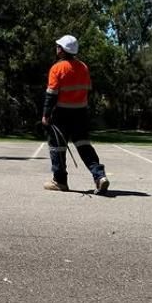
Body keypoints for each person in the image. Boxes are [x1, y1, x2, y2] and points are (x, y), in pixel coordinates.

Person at [41, 34, 109, 194]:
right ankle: (99, 176)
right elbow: (87, 90)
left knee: (57, 147)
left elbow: (51, 94)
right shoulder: (83, 67)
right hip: (80, 113)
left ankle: (60, 181)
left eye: (59, 46)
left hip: (61, 114)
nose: (56, 48)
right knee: (84, 146)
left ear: (63, 50)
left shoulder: (57, 68)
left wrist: (46, 114)